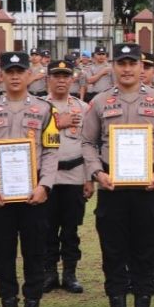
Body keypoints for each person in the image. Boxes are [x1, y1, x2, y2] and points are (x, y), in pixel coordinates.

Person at [81, 43, 154, 307]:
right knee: (113, 247)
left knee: (146, 247)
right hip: (112, 185)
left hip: (148, 184)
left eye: (132, 63)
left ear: (142, 67)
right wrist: (97, 172)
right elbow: (87, 142)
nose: (127, 69)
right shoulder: (99, 102)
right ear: (114, 65)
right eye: (122, 63)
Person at [0, 52, 61, 307]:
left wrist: (45, 185)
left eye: (19, 71)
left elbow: (51, 150)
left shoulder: (44, 108)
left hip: (33, 194)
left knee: (35, 254)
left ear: (28, 74)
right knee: (3, 255)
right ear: (1, 74)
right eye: (9, 71)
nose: (14, 76)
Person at [43, 58, 92, 295]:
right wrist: (57, 124)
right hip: (47, 179)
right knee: (47, 228)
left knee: (71, 229)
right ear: (48, 79)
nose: (61, 80)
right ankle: (50, 273)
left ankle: (70, 274)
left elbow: (89, 144)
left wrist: (89, 178)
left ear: (72, 79)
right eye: (56, 76)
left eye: (65, 76)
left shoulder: (83, 108)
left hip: (75, 176)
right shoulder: (39, 107)